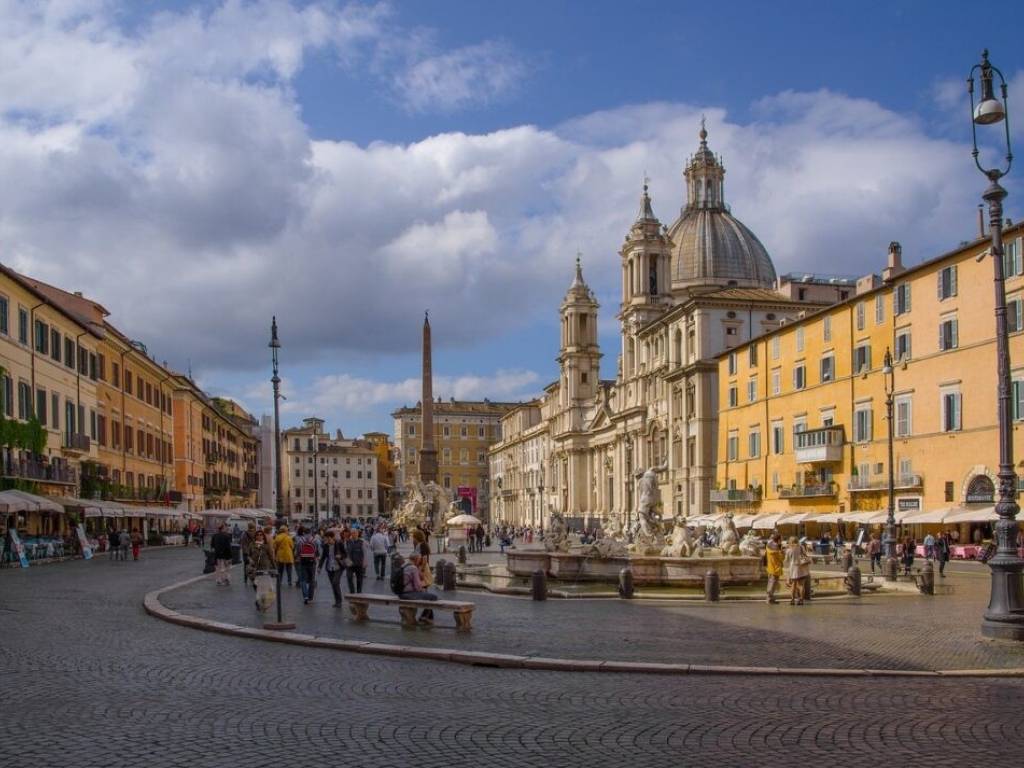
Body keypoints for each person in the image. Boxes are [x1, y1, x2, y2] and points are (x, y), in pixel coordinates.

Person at [401, 552, 437, 624]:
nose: (420, 561)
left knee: (427, 596)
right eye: (419, 559)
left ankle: (426, 617)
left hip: (401, 592)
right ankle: (425, 617)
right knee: (433, 597)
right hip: (409, 593)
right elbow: (418, 586)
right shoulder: (413, 568)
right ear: (416, 559)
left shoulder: (404, 565)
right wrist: (422, 590)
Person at [319, 529, 346, 607]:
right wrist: (319, 567)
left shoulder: (339, 543)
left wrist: (340, 556)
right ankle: (337, 601)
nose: (327, 540)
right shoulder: (325, 546)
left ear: (332, 538)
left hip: (339, 567)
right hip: (329, 568)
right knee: (333, 585)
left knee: (335, 582)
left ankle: (339, 601)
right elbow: (323, 557)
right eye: (326, 539)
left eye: (328, 539)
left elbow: (345, 554)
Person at [294, 526, 320, 604]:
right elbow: (317, 551)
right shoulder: (315, 540)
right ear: (311, 532)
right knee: (312, 580)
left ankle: (305, 596)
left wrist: (298, 557)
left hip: (303, 561)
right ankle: (310, 596)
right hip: (312, 562)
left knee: (303, 580)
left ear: (303, 533)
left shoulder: (300, 540)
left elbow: (297, 552)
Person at [783, 537, 810, 605]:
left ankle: (792, 600)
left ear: (790, 542)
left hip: (793, 569)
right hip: (801, 568)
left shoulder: (789, 550)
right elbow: (805, 555)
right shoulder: (801, 547)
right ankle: (801, 600)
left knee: (793, 585)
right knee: (801, 585)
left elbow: (786, 560)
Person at [346, 528, 367, 594]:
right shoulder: (348, 542)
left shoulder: (361, 542)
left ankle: (359, 592)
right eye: (352, 533)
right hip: (350, 564)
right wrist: (346, 561)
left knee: (359, 579)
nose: (353, 534)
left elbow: (365, 552)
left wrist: (365, 562)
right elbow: (345, 552)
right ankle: (352, 592)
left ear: (357, 534)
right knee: (349, 577)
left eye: (355, 533)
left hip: (359, 563)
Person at [765, 532, 784, 605]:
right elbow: (781, 558)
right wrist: (782, 552)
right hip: (776, 567)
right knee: (773, 583)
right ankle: (769, 599)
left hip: (770, 566)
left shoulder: (768, 546)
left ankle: (770, 598)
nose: (782, 540)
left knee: (770, 582)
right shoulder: (777, 548)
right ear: (778, 539)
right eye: (781, 539)